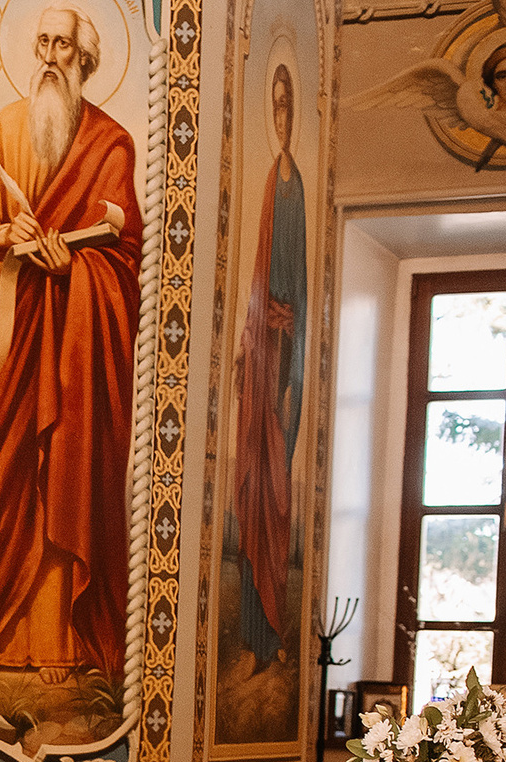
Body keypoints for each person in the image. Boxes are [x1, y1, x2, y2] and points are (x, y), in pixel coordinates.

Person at [0, 5, 141, 683]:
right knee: (10, 485)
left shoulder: (111, 145)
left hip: (77, 355)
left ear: (85, 60)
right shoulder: (9, 129)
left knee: (66, 476)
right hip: (15, 338)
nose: (51, 56)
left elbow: (125, 256)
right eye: (44, 43)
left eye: (64, 46)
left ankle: (58, 642)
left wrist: (74, 264)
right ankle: (0, 635)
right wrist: (3, 238)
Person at [227, 64, 307, 672]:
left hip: (279, 359)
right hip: (260, 353)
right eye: (272, 103)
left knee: (275, 494)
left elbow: (291, 285)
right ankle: (258, 637)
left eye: (286, 105)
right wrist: (247, 342)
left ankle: (272, 632)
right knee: (252, 491)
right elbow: (256, 279)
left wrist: (278, 337)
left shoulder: (293, 185)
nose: (278, 114)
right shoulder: (268, 181)